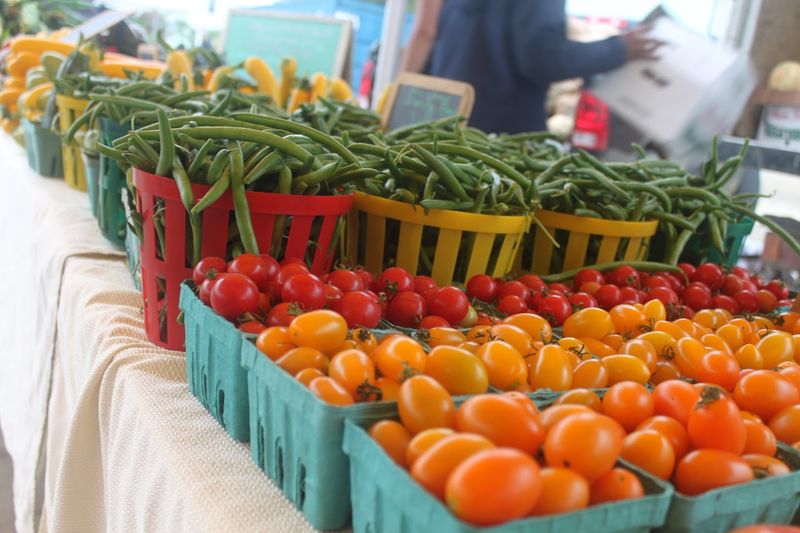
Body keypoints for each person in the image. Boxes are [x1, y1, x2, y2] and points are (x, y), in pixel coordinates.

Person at [401, 0, 662, 134]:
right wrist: (619, 49)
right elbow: (543, 58)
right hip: (503, 143)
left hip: (444, 128)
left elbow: (425, 32)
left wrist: (400, 105)